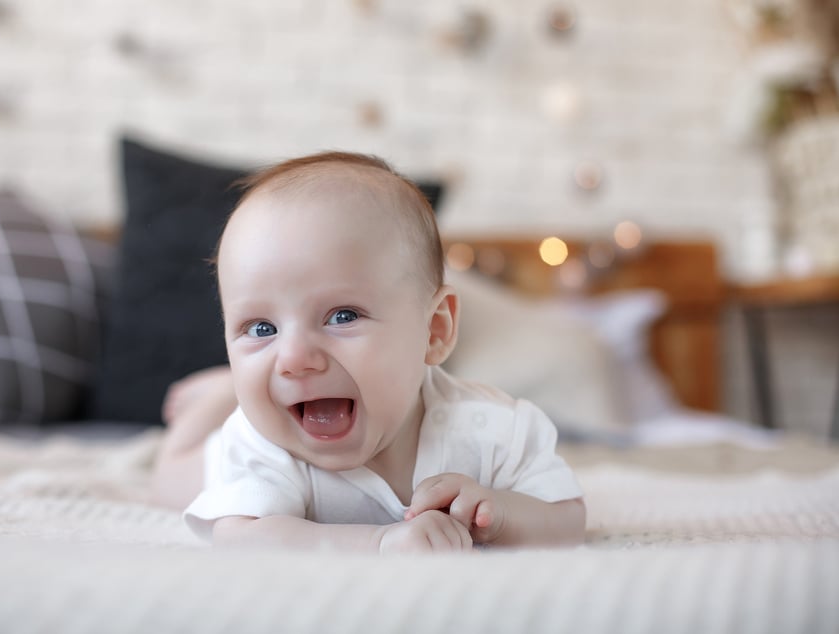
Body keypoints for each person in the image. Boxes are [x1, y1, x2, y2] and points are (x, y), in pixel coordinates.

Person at [152, 151, 585, 553]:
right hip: (227, 449)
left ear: (434, 329)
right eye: (261, 328)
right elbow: (242, 534)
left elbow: (566, 516)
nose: (295, 357)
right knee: (169, 477)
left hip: (299, 401)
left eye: (342, 316)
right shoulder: (260, 442)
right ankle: (219, 395)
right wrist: (379, 542)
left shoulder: (490, 431)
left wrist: (500, 513)